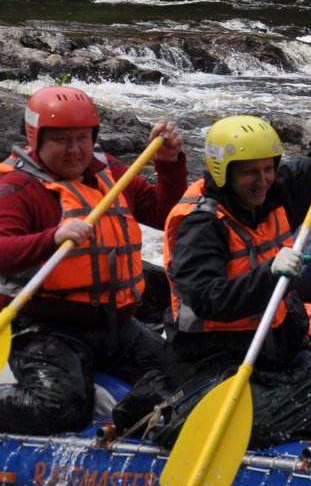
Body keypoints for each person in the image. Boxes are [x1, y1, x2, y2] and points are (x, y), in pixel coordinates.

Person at [163, 61, 311, 376]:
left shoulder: (278, 191)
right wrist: (269, 273)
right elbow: (206, 299)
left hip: (276, 345)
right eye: (250, 173)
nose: (262, 181)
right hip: (217, 356)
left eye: (268, 169)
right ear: (223, 171)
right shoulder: (201, 224)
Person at [0, 85, 187, 432]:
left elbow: (164, 214)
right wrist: (52, 238)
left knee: (187, 383)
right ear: (36, 140)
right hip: (45, 329)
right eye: (62, 140)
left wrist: (169, 164)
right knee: (63, 409)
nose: (75, 150)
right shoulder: (17, 188)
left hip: (114, 326)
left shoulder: (109, 171)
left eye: (83, 138)